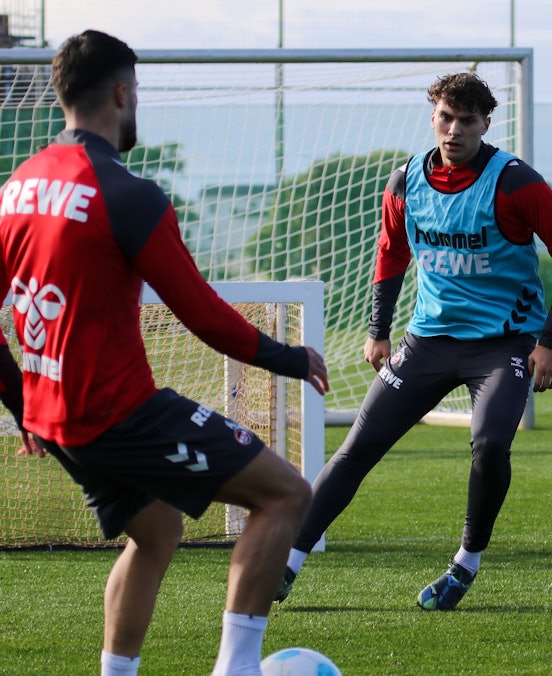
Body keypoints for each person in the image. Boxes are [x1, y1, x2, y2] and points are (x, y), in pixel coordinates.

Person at [0, 30, 329, 675]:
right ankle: (235, 669)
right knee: (287, 495)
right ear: (122, 92)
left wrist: (23, 405)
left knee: (156, 531)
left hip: (59, 418)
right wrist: (289, 357)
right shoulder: (127, 193)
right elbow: (202, 314)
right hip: (119, 414)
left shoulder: (16, 187)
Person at [276, 72, 552, 610]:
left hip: (503, 346)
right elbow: (391, 251)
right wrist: (378, 332)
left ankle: (465, 564)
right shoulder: (404, 182)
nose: (454, 130)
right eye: (446, 118)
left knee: (491, 445)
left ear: (486, 124)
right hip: (427, 343)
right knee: (356, 450)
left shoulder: (515, 182)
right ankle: (284, 566)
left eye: (467, 121)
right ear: (432, 119)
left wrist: (551, 342)